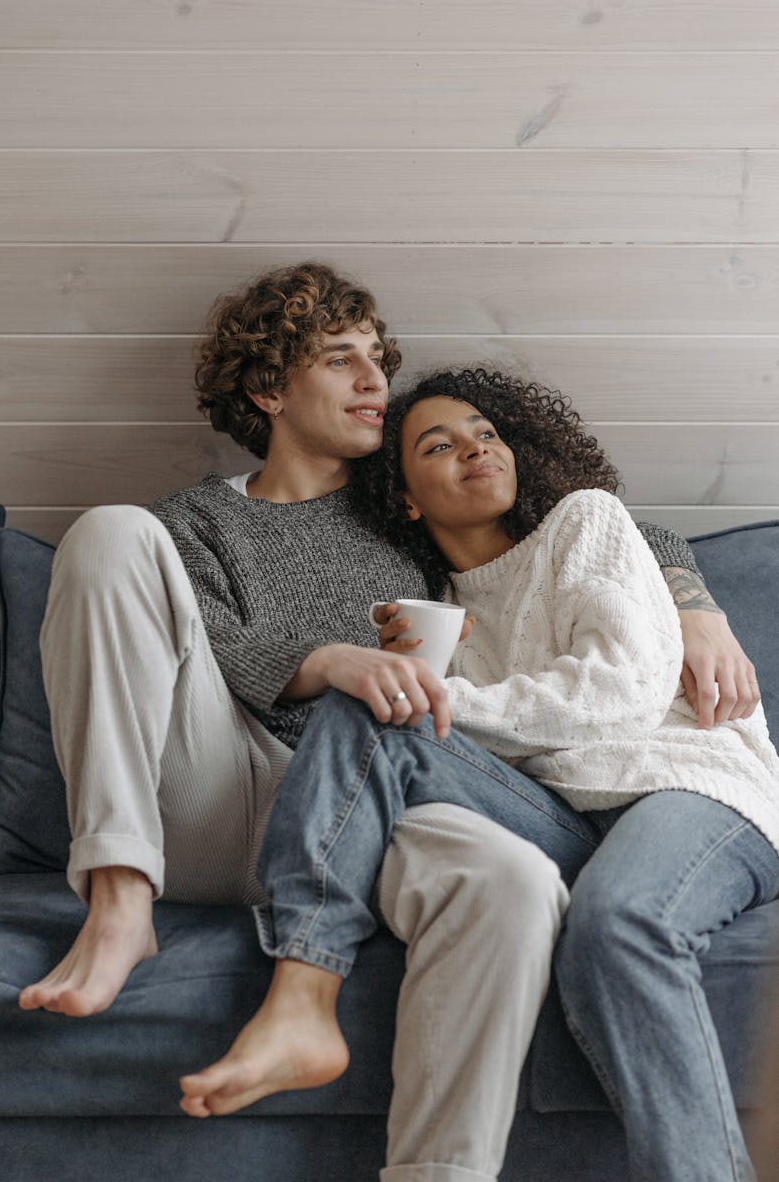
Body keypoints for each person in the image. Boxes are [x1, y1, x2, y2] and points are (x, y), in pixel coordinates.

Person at [15, 263, 760, 1181]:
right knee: (110, 531)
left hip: (384, 799)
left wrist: (694, 602)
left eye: (377, 357)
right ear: (269, 389)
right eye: (341, 360)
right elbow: (209, 647)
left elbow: (581, 525)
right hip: (219, 784)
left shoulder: (407, 504)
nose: (375, 381)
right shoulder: (196, 524)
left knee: (519, 882)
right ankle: (120, 896)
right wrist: (324, 662)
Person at [226, 365, 779, 1182]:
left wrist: (439, 694)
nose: (475, 451)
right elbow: (452, 736)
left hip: (688, 786)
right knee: (366, 698)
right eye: (438, 445)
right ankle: (302, 990)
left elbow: (618, 693)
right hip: (567, 816)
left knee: (617, 923)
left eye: (486, 434)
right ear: (405, 497)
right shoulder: (434, 614)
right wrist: (399, 677)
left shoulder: (584, 523)